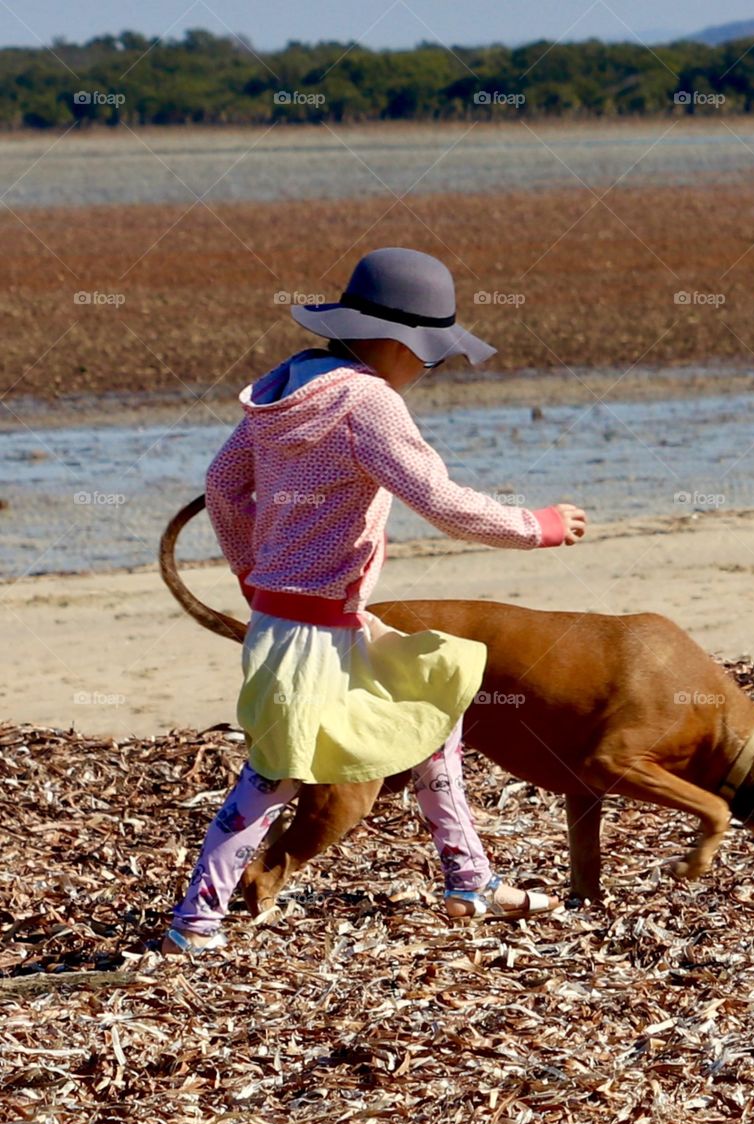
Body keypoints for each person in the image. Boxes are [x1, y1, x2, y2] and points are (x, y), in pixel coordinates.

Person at [162, 247, 586, 954]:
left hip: (317, 620)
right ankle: (194, 924)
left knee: (429, 708)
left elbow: (221, 486)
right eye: (431, 358)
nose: (428, 372)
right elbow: (440, 502)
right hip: (311, 634)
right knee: (274, 773)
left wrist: (252, 574)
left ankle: (469, 878)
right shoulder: (367, 402)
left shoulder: (286, 385)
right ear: (396, 344)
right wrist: (534, 526)